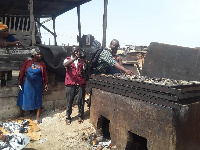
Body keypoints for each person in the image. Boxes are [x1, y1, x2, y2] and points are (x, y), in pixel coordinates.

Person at [17, 48, 48, 124]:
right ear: (34, 55)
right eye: (38, 54)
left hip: (37, 85)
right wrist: (19, 80)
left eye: (40, 54)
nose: (40, 55)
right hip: (27, 84)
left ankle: (38, 117)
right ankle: (21, 115)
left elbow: (45, 75)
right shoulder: (28, 62)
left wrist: (46, 84)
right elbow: (22, 71)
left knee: (38, 100)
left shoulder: (42, 64)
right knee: (24, 98)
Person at [63, 46, 86, 125]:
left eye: (77, 51)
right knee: (69, 101)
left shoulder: (81, 61)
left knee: (80, 101)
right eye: (74, 51)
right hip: (70, 83)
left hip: (80, 83)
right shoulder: (68, 59)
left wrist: (85, 65)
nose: (76, 52)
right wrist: (74, 59)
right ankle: (68, 117)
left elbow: (84, 70)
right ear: (71, 52)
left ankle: (80, 116)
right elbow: (65, 65)